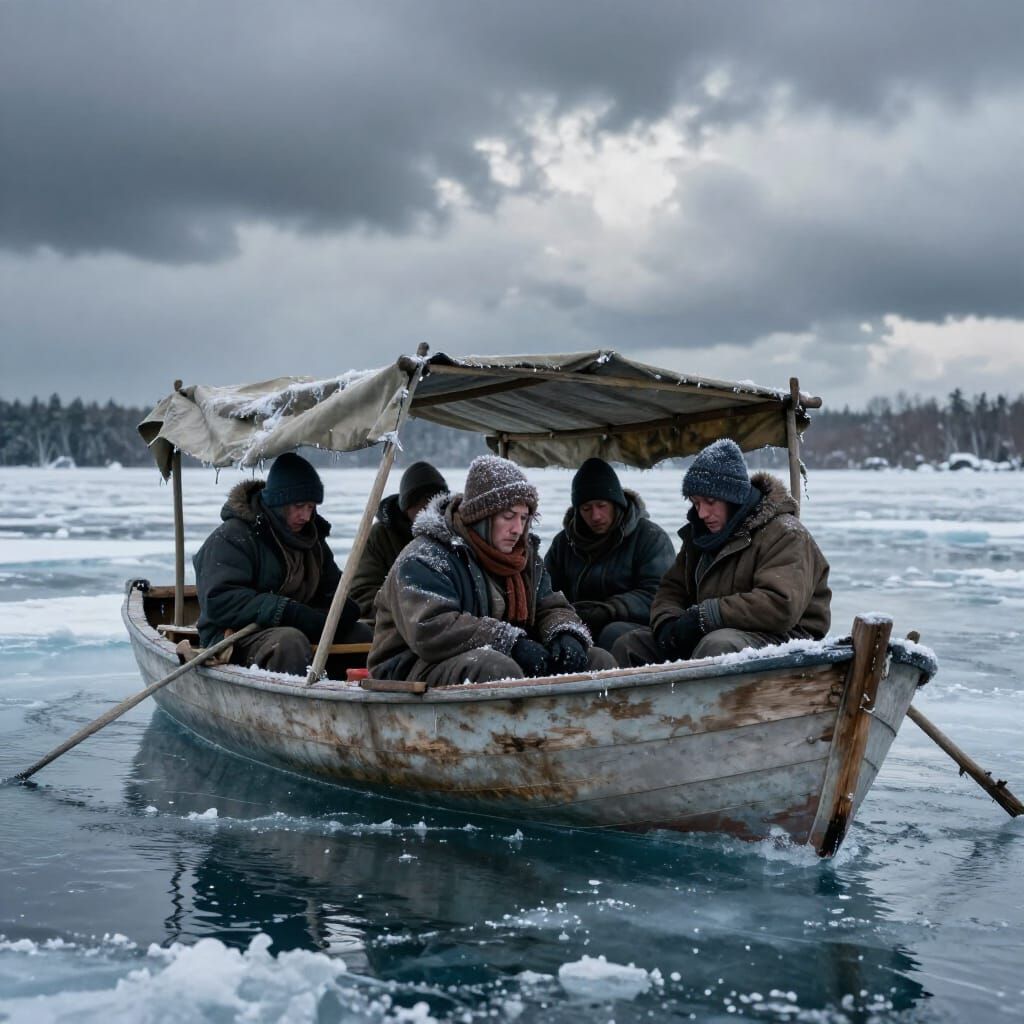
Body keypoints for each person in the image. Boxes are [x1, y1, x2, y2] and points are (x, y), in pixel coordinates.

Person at [368, 454, 617, 685]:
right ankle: (511, 733)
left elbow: (549, 606)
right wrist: (510, 642)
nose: (517, 529)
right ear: (482, 517)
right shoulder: (425, 557)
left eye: (524, 517)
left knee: (597, 661)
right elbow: (431, 628)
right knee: (495, 669)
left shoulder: (524, 557)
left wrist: (565, 634)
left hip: (495, 654)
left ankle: (587, 730)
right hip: (412, 667)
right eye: (508, 516)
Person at [612, 439, 831, 667]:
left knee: (718, 646)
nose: (703, 513)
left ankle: (695, 703)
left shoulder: (785, 533)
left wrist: (705, 617)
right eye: (696, 503)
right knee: (628, 645)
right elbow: (671, 589)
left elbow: (780, 604)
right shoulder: (700, 537)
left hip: (783, 639)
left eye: (710, 501)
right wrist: (669, 622)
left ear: (733, 498)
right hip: (714, 631)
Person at [193, 452, 372, 676]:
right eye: (299, 506)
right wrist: (285, 610)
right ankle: (294, 706)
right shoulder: (233, 537)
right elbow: (218, 599)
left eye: (311, 507)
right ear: (279, 502)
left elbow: (330, 586)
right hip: (235, 635)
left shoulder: (312, 540)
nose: (306, 516)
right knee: (288, 643)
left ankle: (345, 698)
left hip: (294, 628)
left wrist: (343, 607)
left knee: (361, 634)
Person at [544, 457, 675, 651]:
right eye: (587, 509)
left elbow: (659, 595)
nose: (595, 516)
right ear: (578, 510)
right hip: (578, 622)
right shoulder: (563, 544)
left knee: (612, 633)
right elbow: (547, 594)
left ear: (616, 503)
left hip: (638, 626)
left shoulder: (651, 538)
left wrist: (610, 610)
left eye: (601, 505)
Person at [349, 461, 449, 621]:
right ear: (407, 507)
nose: (430, 509)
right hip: (392, 625)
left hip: (445, 621)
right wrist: (407, 613)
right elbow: (361, 593)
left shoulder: (452, 535)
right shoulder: (380, 537)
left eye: (436, 503)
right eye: (422, 503)